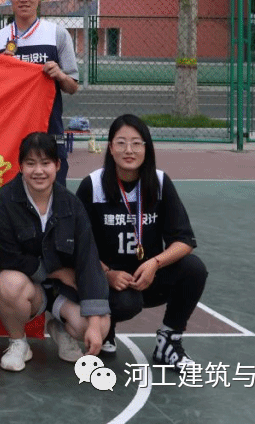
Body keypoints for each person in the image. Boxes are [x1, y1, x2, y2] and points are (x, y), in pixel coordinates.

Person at [76, 114, 206, 369]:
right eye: (121, 143)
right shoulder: (93, 185)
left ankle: (169, 341)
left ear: (147, 148)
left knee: (194, 269)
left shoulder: (159, 183)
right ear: (110, 147)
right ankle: (107, 327)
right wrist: (107, 274)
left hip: (147, 275)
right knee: (126, 303)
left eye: (136, 143)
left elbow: (184, 240)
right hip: (108, 281)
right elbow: (78, 247)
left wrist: (155, 263)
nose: (129, 150)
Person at [0, 132, 109, 372]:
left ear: (57, 165)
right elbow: (7, 256)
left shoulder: (71, 205)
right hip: (28, 287)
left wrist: (95, 325)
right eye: (31, 163)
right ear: (20, 166)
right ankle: (18, 342)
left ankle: (61, 329)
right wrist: (55, 272)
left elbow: (88, 260)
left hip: (62, 292)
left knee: (100, 325)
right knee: (8, 283)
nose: (38, 171)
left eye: (45, 163)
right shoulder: (4, 199)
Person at [0, 0, 79, 184]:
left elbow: (73, 87)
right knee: (8, 194)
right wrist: (0, 70)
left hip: (49, 129)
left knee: (54, 193)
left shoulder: (57, 34)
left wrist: (59, 75)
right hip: (8, 133)